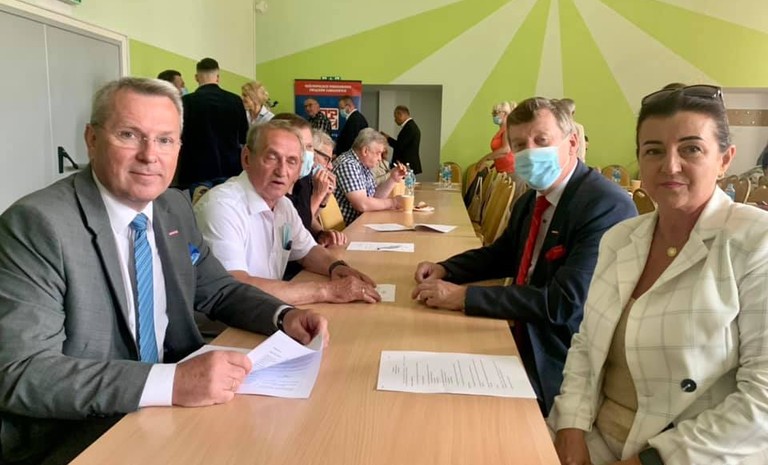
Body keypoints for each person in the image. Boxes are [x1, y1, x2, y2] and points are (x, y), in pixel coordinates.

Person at [0, 78, 328, 464]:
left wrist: (283, 316)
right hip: (81, 435)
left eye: (165, 140)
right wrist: (173, 382)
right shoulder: (38, 225)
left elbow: (219, 289)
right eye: (129, 135)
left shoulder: (172, 207)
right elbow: (23, 372)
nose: (149, 155)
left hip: (174, 415)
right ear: (91, 139)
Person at [550, 85, 768, 465]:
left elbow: (761, 399)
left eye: (691, 149)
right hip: (596, 437)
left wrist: (649, 460)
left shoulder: (755, 242)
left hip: (694, 453)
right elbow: (586, 345)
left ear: (724, 159)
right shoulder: (621, 238)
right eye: (653, 151)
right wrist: (570, 428)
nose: (670, 165)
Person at [411, 97, 637, 415]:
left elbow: (563, 303)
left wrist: (465, 297)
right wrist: (446, 269)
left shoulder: (604, 205)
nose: (529, 152)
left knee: (451, 410)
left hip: (557, 357)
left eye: (541, 141)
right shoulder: (533, 199)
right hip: (515, 329)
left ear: (572, 143)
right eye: (519, 145)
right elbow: (503, 254)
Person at [194, 120, 380, 306]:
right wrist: (327, 290)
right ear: (247, 158)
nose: (282, 171)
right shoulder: (221, 206)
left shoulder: (283, 206)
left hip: (267, 311)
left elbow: (307, 251)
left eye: (292, 161)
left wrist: (337, 267)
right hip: (228, 322)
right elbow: (234, 287)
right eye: (272, 157)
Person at [176, 58, 249, 189]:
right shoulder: (235, 100)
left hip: (196, 170)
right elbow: (244, 137)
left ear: (196, 77)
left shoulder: (185, 102)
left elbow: (178, 137)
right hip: (230, 169)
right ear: (218, 77)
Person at [333, 128, 407, 225]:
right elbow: (362, 204)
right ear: (365, 151)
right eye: (378, 153)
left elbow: (375, 197)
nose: (380, 159)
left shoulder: (362, 164)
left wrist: (393, 179)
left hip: (362, 222)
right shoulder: (348, 164)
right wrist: (393, 203)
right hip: (349, 228)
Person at [381, 105, 422, 175]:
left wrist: (387, 138)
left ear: (400, 114)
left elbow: (399, 146)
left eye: (395, 117)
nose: (395, 120)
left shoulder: (409, 128)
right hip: (407, 164)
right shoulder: (411, 126)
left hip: (406, 165)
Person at [477, 101, 516, 173]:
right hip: (502, 170)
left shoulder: (507, 129)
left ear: (504, 114)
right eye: (493, 113)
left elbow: (506, 149)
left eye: (496, 113)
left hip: (511, 169)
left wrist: (485, 159)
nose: (494, 116)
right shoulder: (501, 131)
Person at [558, 98, 587, 162]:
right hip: (572, 162)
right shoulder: (578, 128)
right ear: (573, 112)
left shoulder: (553, 125)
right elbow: (581, 152)